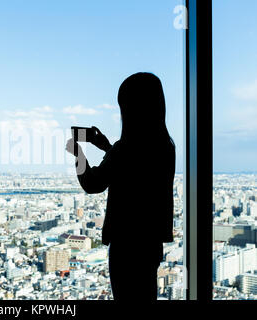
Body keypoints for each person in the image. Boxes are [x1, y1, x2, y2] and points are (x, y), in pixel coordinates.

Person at [66, 72, 175, 300]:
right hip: (150, 241)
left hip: (126, 244)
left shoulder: (125, 149)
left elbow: (93, 183)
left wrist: (77, 153)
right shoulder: (165, 146)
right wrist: (108, 148)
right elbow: (135, 172)